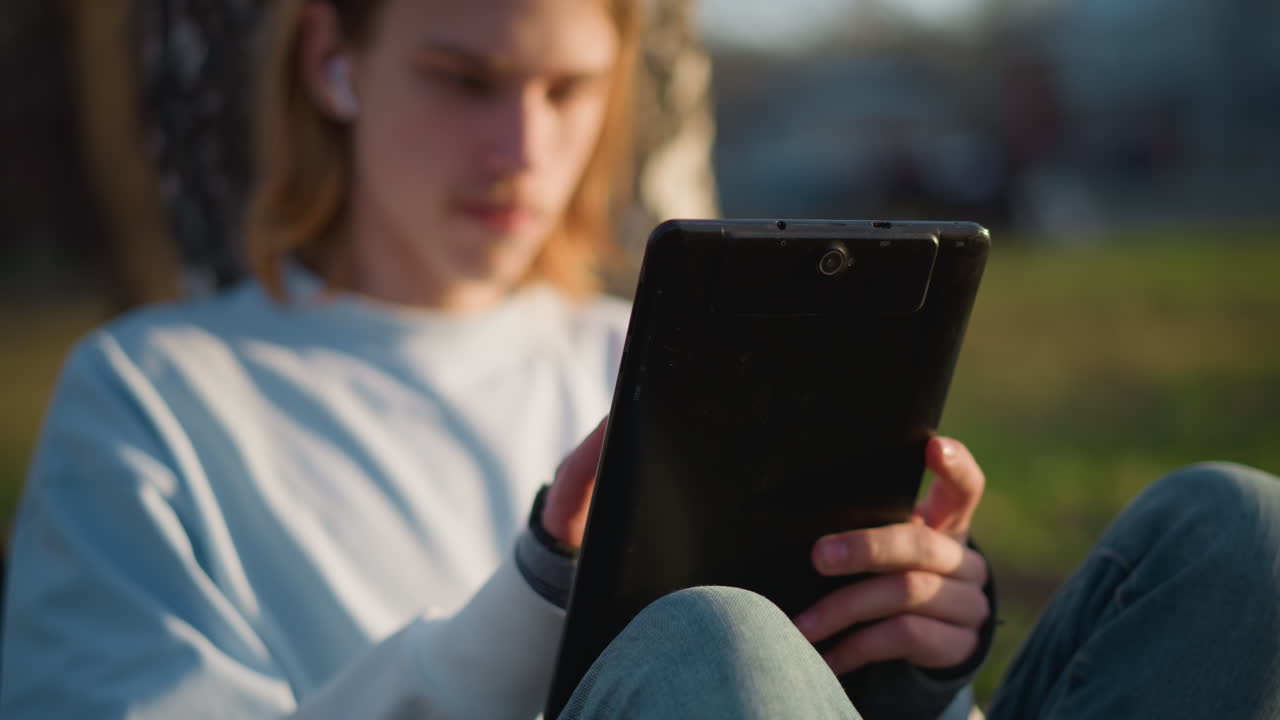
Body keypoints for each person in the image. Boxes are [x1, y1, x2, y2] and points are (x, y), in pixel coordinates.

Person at [3, 1, 1279, 719]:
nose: (518, 145)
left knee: (1237, 538)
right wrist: (538, 590)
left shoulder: (663, 351)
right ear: (333, 59)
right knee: (714, 647)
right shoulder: (157, 395)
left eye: (566, 93)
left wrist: (914, 663)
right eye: (463, 79)